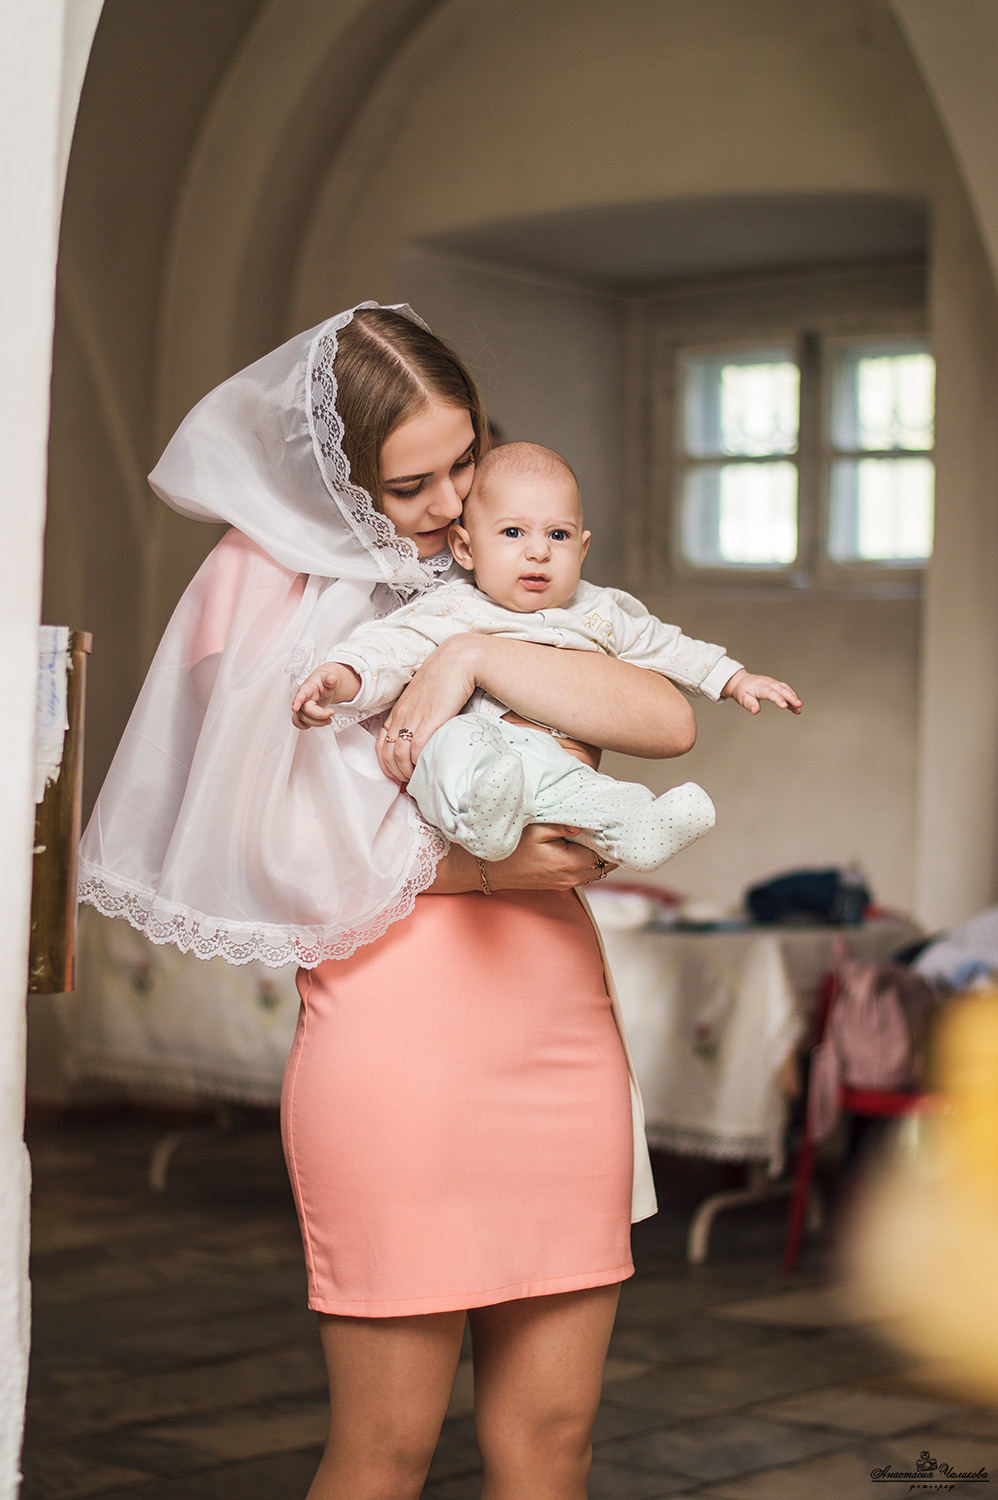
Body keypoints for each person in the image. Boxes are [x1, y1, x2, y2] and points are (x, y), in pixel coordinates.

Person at [78, 303, 702, 1500]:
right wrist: (480, 869)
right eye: (411, 481)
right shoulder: (259, 583)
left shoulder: (512, 566)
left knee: (551, 1444)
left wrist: (467, 657)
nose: (447, 501)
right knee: (384, 1451)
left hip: (559, 1033)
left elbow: (664, 719)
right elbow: (254, 833)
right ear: (339, 473)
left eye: (462, 460)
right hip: (393, 1043)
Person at [291, 440, 800, 873]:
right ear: (465, 548)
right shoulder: (452, 608)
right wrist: (343, 677)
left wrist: (733, 678)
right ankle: (482, 820)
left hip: (555, 764)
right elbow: (389, 648)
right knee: (454, 746)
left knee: (591, 793)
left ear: (581, 550)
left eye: (557, 536)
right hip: (480, 756)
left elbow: (665, 645)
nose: (538, 552)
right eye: (513, 533)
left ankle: (634, 826)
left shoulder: (601, 611)